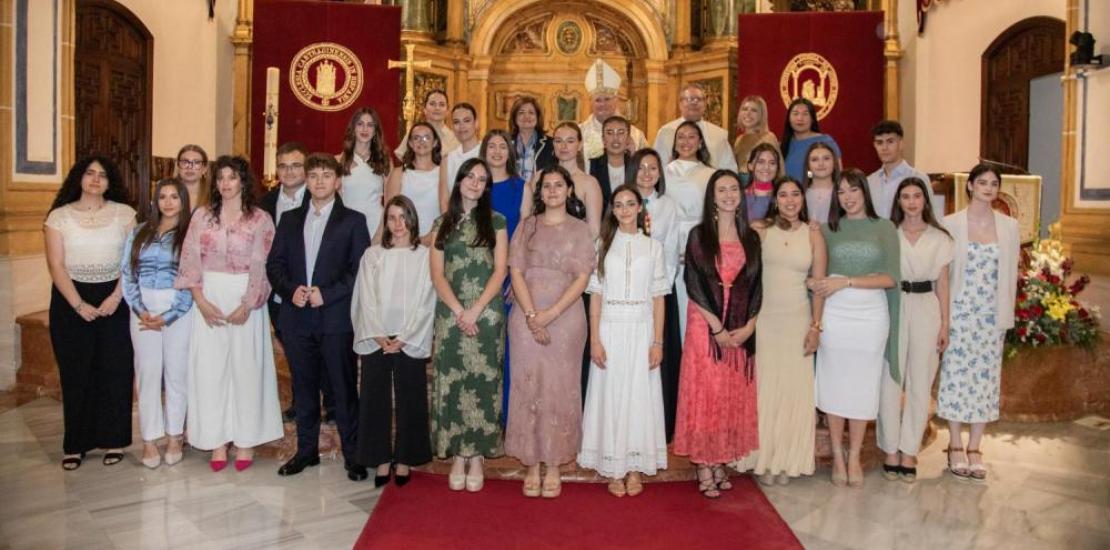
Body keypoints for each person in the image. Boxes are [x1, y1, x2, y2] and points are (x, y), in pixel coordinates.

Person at [267, 154, 370, 482]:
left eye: (327, 175)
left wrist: (327, 293)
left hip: (336, 318)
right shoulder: (290, 220)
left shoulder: (353, 220)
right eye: (314, 175)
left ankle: (354, 455)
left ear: (337, 181)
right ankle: (306, 451)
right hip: (297, 318)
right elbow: (274, 265)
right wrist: (290, 289)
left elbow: (360, 270)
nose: (320, 181)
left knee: (342, 389)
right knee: (304, 388)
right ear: (307, 181)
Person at [175, 155, 282, 472]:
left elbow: (265, 264)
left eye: (232, 177)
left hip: (246, 297)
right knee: (210, 371)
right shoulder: (202, 216)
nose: (225, 183)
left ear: (243, 181)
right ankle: (216, 440)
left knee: (246, 369)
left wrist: (249, 303)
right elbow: (190, 259)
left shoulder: (260, 219)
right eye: (220, 177)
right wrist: (200, 300)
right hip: (209, 295)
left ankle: (246, 439)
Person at [506, 166, 596, 499]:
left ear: (569, 190)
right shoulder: (526, 226)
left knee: (560, 388)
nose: (553, 190)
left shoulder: (581, 229)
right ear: (539, 192)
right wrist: (532, 316)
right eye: (547, 186)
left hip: (566, 318)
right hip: (525, 314)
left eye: (559, 185)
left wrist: (550, 315)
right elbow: (516, 271)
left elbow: (582, 278)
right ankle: (531, 462)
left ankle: (555, 462)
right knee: (528, 386)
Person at [674, 170, 762, 499]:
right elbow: (693, 283)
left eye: (733, 189)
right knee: (707, 391)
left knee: (728, 390)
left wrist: (750, 325)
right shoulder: (699, 235)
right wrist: (717, 328)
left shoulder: (751, 238)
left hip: (740, 325)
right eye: (721, 190)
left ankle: (721, 458)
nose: (728, 195)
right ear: (712, 196)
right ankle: (704, 463)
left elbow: (757, 284)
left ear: (741, 195)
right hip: (705, 322)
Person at [44, 156, 137, 470]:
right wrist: (78, 304)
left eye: (103, 175)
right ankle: (76, 444)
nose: (96, 179)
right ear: (79, 178)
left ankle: (114, 439)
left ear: (110, 182)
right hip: (70, 300)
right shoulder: (59, 217)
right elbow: (56, 264)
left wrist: (116, 296)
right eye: (90, 173)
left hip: (115, 298)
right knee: (76, 373)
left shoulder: (125, 214)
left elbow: (131, 261)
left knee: (115, 371)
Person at [810, 168, 900, 488]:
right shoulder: (828, 230)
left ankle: (855, 456)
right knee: (835, 385)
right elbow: (814, 273)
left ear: (864, 191)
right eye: (841, 192)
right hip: (835, 314)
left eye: (853, 190)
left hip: (871, 315)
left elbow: (891, 277)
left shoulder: (885, 227)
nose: (847, 197)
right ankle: (837, 456)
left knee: (863, 386)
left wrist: (847, 281)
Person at [578, 184, 670, 498]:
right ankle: (613, 467)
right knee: (612, 396)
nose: (625, 210)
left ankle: (633, 467)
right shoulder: (602, 244)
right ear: (613, 210)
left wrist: (657, 342)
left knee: (638, 398)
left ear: (640, 208)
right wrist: (595, 340)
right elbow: (595, 296)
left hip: (642, 329)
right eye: (619, 204)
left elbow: (659, 298)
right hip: (610, 329)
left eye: (631, 204)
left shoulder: (653, 247)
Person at [937, 164, 1020, 483]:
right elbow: (943, 275)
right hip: (960, 312)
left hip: (990, 315)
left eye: (994, 183)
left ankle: (975, 446)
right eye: (982, 182)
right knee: (956, 376)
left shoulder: (1009, 227)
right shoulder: (951, 223)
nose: (988, 188)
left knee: (986, 379)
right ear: (970, 185)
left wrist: (1006, 313)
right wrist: (944, 318)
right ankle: (955, 443)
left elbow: (1011, 274)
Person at [430, 157, 509, 492]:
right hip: (450, 314)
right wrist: (459, 310)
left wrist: (475, 310)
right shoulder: (441, 223)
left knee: (483, 382)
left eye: (482, 179)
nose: (475, 183)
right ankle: (457, 454)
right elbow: (437, 274)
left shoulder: (497, 221)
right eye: (470, 177)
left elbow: (501, 270)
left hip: (486, 314)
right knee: (452, 381)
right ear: (459, 180)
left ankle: (476, 455)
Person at [741, 176, 826, 486]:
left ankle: (788, 461)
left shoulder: (813, 234)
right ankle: (764, 459)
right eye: (784, 195)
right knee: (765, 389)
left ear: (803, 199)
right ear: (775, 200)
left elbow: (819, 287)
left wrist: (816, 327)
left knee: (793, 391)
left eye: (795, 195)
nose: (790, 200)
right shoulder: (760, 230)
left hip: (797, 320)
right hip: (765, 320)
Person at [352, 196, 436, 488]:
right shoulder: (372, 255)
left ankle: (405, 458)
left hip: (408, 336)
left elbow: (426, 299)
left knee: (411, 396)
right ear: (385, 222)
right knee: (373, 396)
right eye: (392, 218)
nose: (398, 224)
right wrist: (378, 333)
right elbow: (365, 297)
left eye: (404, 217)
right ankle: (380, 458)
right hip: (377, 334)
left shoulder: (424, 256)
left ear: (413, 220)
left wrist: (404, 337)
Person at [879, 177, 953, 484]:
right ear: (898, 201)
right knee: (890, 378)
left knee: (920, 380)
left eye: (917, 196)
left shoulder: (940, 238)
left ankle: (909, 450)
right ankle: (890, 448)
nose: (911, 202)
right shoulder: (889, 234)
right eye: (905, 196)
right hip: (894, 304)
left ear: (925, 201)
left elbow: (943, 283)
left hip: (926, 306)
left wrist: (945, 323)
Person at [121, 178, 194, 469]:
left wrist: (170, 315)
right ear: (155, 201)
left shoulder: (190, 233)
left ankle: (175, 435)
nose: (168, 202)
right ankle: (150, 439)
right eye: (162, 196)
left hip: (179, 310)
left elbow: (193, 277)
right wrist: (140, 310)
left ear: (183, 201)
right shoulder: (139, 232)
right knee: (147, 372)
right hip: (143, 311)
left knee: (176, 373)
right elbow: (127, 274)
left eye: (174, 196)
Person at [260, 142, 334, 424]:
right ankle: (300, 401)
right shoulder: (264, 203)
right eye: (283, 166)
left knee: (323, 351)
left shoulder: (320, 198)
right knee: (293, 351)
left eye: (295, 165)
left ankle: (331, 402)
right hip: (280, 291)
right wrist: (285, 288)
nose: (289, 171)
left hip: (315, 292)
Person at [627, 148, 682, 441]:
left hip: (658, 292)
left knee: (656, 355)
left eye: (653, 168)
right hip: (627, 293)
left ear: (660, 173)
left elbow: (671, 248)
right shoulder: (623, 201)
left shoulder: (667, 206)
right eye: (641, 167)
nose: (647, 173)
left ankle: (657, 425)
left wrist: (660, 288)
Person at [664, 120, 716, 340]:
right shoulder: (663, 171)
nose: (686, 142)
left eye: (691, 136)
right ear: (674, 143)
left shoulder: (711, 174)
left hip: (698, 238)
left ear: (700, 142)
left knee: (695, 297)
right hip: (669, 237)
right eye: (681, 137)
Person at [519, 122, 603, 238]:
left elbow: (594, 231)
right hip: (540, 243)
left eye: (570, 141)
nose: (564, 146)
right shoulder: (539, 176)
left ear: (580, 145)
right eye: (558, 141)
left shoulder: (590, 183)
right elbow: (527, 218)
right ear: (553, 144)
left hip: (575, 245)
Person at [653, 83, 738, 170]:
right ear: (680, 104)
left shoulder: (719, 134)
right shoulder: (665, 132)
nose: (694, 103)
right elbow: (656, 165)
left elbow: (729, 168)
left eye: (699, 99)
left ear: (705, 104)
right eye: (689, 99)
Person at [338, 108, 391, 238]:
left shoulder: (385, 161)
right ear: (353, 128)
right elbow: (336, 202)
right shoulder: (339, 160)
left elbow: (390, 202)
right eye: (360, 124)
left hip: (377, 225)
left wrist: (380, 233)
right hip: (347, 226)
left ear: (375, 130)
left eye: (370, 125)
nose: (365, 129)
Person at [579, 59, 647, 159]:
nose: (603, 104)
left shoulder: (635, 135)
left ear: (616, 100)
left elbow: (645, 163)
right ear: (591, 103)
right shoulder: (578, 133)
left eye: (607, 99)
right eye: (598, 100)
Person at [385, 121, 441, 242]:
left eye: (426, 137)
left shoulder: (443, 173)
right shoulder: (399, 173)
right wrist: (408, 240)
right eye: (416, 138)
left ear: (435, 142)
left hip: (435, 241)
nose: (421, 141)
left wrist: (428, 239)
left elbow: (448, 212)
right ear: (410, 143)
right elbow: (389, 212)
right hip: (402, 241)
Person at [867, 120, 931, 219]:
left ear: (901, 143)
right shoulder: (870, 181)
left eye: (890, 141)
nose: (884, 148)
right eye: (879, 143)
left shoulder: (919, 178)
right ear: (875, 145)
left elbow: (932, 217)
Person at [781, 98, 842, 181]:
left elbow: (838, 173)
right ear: (789, 118)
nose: (800, 118)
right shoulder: (784, 144)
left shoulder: (825, 141)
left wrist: (809, 183)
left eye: (805, 114)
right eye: (795, 114)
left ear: (812, 118)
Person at [484, 129, 526, 239]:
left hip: (511, 248)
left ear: (509, 153)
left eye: (502, 147)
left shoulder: (522, 188)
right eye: (492, 146)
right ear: (484, 151)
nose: (497, 151)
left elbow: (524, 234)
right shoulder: (474, 185)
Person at [440, 103, 482, 212]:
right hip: (454, 219)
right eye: (456, 122)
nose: (461, 126)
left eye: (466, 121)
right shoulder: (447, 159)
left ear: (476, 123)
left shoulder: (486, 153)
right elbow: (444, 200)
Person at [394, 89, 458, 159]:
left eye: (441, 104)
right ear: (424, 109)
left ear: (447, 111)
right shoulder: (414, 133)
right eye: (432, 104)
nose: (437, 108)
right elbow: (400, 156)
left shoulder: (454, 138)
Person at [588, 115, 631, 211]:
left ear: (628, 139)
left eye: (620, 133)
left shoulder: (637, 166)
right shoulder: (592, 166)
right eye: (610, 133)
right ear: (603, 139)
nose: (615, 138)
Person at [509, 96, 555, 182]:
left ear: (538, 117)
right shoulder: (505, 142)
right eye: (521, 113)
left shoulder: (551, 144)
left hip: (539, 190)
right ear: (515, 117)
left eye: (531, 112)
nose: (526, 116)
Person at [732, 95, 780, 175]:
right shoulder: (739, 140)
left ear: (761, 115)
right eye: (745, 109)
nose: (748, 113)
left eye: (754, 110)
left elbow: (779, 171)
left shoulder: (768, 138)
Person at [803, 142, 841, 224]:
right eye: (814, 160)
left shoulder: (843, 193)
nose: (821, 164)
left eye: (826, 158)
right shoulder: (799, 194)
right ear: (808, 166)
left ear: (834, 163)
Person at [743, 143, 782, 222]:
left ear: (777, 168)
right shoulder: (739, 196)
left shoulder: (782, 196)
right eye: (760, 162)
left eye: (772, 163)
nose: (766, 167)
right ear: (750, 166)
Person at [176, 144, 210, 210]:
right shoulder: (165, 196)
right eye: (185, 162)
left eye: (196, 162)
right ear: (178, 168)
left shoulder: (214, 198)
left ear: (204, 169)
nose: (190, 167)